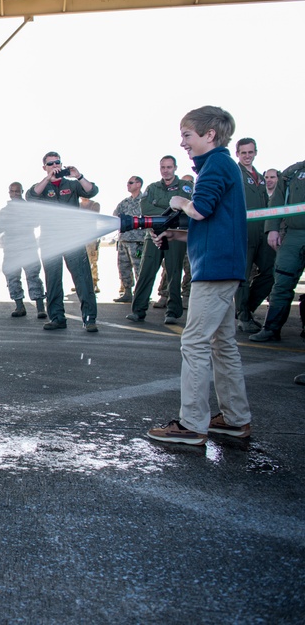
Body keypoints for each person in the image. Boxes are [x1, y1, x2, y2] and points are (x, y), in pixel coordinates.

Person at [147, 105, 250, 445]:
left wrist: (178, 201)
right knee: (223, 345)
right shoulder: (221, 165)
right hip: (223, 264)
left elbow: (201, 209)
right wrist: (178, 235)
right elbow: (214, 224)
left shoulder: (216, 164)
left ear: (210, 135)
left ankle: (192, 424)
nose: (183, 143)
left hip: (215, 270)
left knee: (194, 343)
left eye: (187, 135)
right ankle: (235, 419)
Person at [26, 151, 99, 332]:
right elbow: (30, 196)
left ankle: (89, 319)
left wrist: (78, 175)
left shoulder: (72, 185)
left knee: (82, 279)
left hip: (72, 239)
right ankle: (57, 318)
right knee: (53, 280)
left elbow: (92, 191)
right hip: (50, 240)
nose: (54, 166)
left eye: (57, 162)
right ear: (44, 167)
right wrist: (48, 179)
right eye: (50, 164)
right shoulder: (41, 187)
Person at [126, 156, 191, 325]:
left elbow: (188, 209)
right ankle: (138, 310)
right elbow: (146, 208)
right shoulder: (153, 187)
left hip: (175, 234)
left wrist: (163, 210)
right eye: (163, 167)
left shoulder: (186, 187)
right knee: (146, 271)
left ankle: (172, 311)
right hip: (153, 234)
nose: (166, 170)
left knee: (174, 273)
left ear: (175, 168)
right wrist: (172, 209)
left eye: (169, 167)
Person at [248, 157, 305, 343]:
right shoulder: (292, 173)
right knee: (281, 283)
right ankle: (271, 329)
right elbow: (277, 202)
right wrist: (272, 228)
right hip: (294, 235)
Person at [233, 138, 275, 334]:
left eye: (250, 152)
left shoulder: (259, 177)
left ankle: (246, 308)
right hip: (243, 232)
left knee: (272, 271)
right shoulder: (235, 174)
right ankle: (243, 316)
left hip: (262, 233)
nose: (247, 156)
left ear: (255, 153)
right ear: (237, 154)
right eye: (243, 153)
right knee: (242, 276)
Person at [0, 182, 46, 319]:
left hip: (28, 247)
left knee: (33, 276)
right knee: (12, 277)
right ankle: (19, 306)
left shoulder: (29, 208)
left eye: (18, 191)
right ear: (9, 192)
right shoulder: (4, 211)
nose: (15, 194)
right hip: (11, 249)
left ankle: (41, 308)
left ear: (22, 192)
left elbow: (36, 223)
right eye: (13, 191)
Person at [112, 176, 144, 303]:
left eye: (131, 183)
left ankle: (140, 294)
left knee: (139, 269)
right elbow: (115, 215)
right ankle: (127, 292)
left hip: (137, 241)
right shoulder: (124, 202)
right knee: (123, 267)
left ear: (139, 184)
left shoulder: (145, 201)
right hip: (124, 240)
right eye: (127, 183)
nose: (128, 185)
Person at [79, 197, 101, 294]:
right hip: (80, 237)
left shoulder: (94, 205)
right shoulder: (78, 205)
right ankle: (81, 283)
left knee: (92, 261)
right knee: (79, 262)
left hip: (91, 238)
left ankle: (94, 283)